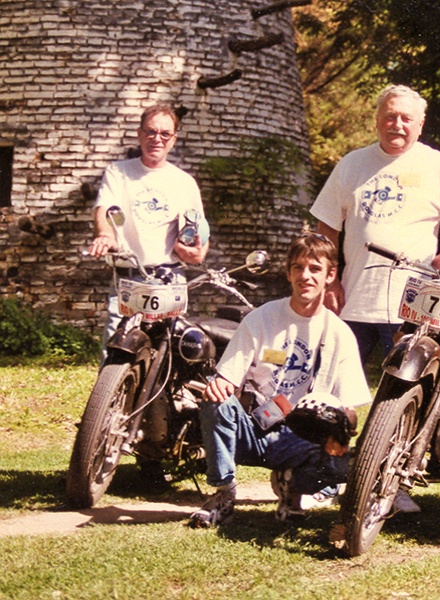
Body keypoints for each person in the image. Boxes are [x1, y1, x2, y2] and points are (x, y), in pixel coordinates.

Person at [310, 84, 440, 365]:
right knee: (331, 384)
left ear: (420, 124)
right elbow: (326, 224)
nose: (397, 125)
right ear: (377, 120)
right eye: (389, 117)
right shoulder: (351, 164)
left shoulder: (437, 165)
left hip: (414, 305)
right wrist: (330, 280)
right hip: (352, 300)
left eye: (406, 118)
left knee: (403, 390)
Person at [189, 233, 372, 528]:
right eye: (298, 268)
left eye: (315, 269)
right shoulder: (261, 318)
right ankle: (223, 492)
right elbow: (227, 377)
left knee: (342, 464)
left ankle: (293, 490)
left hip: (303, 437)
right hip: (255, 428)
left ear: (330, 275)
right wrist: (221, 384)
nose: (306, 276)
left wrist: (342, 430)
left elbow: (350, 408)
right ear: (288, 273)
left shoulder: (340, 334)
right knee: (217, 401)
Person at [88, 103, 209, 355]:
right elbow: (105, 209)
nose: (157, 139)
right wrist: (105, 235)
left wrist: (199, 253)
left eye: (165, 134)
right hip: (128, 278)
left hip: (169, 279)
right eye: (151, 132)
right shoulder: (118, 173)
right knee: (115, 351)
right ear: (140, 134)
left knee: (166, 352)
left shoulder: (184, 182)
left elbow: (199, 228)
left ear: (174, 139)